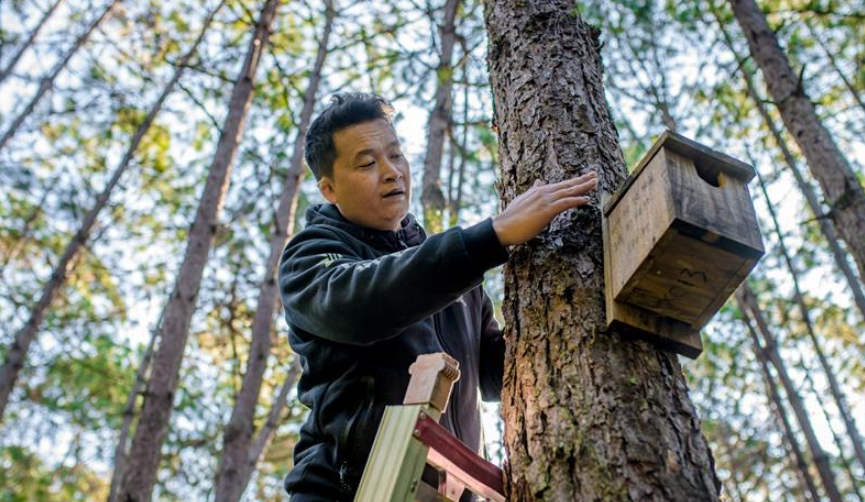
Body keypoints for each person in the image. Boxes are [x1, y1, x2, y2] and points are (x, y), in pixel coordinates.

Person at [278, 92, 597, 501]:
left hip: (448, 491)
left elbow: (496, 374)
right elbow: (359, 305)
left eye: (396, 155)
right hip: (346, 491)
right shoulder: (309, 255)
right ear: (329, 189)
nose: (391, 172)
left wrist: (578, 314)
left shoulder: (451, 271)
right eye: (367, 163)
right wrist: (491, 238)